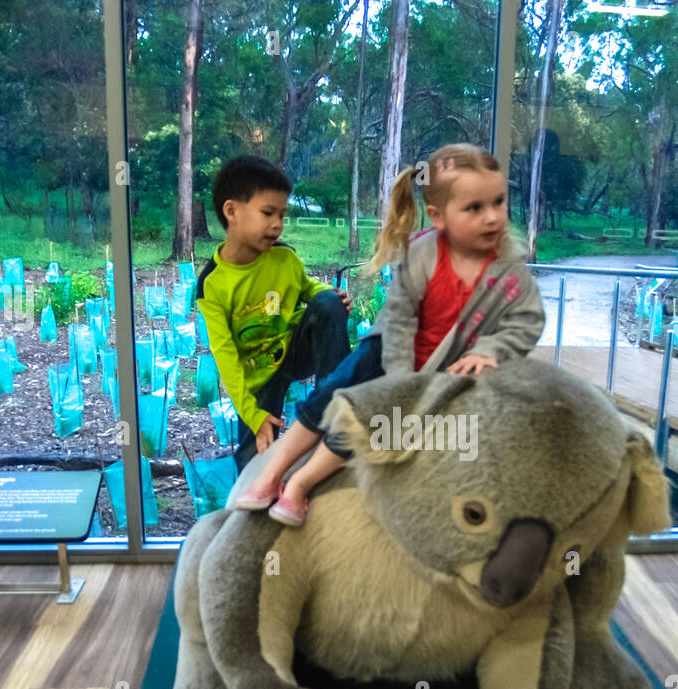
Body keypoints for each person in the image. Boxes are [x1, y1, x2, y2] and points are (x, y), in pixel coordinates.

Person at [234, 142, 546, 525]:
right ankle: (268, 475)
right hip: (388, 354)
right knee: (330, 396)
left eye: (498, 203)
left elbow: (528, 319)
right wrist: (401, 381)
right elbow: (398, 320)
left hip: (442, 373)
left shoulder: (508, 270)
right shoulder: (421, 255)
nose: (492, 218)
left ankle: (299, 486)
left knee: (365, 430)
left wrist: (492, 348)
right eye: (475, 208)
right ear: (438, 216)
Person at [195, 155, 354, 472]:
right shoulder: (212, 284)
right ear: (232, 211)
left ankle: (333, 413)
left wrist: (330, 296)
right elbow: (225, 354)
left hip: (294, 350)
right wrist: (254, 415)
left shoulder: (284, 257)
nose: (277, 224)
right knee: (253, 460)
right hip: (257, 376)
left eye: (282, 214)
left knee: (329, 303)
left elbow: (306, 286)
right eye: (268, 213)